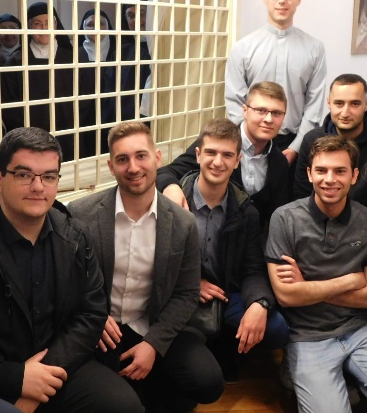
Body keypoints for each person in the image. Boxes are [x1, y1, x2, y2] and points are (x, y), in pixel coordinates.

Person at [0, 127, 143, 413]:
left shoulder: (74, 235)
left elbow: (91, 313)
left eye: (48, 176)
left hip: (58, 363)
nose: (38, 187)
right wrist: (17, 377)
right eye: (24, 175)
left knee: (124, 406)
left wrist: (43, 376)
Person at [69, 121, 224, 412]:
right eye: (122, 159)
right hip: (102, 329)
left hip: (152, 323)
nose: (133, 167)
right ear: (111, 166)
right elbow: (68, 280)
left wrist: (154, 344)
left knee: (208, 381)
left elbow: (187, 293)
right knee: (120, 401)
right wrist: (92, 315)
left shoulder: (182, 222)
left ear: (157, 158)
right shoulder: (81, 215)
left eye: (141, 156)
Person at [265, 135, 367, 412]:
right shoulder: (284, 218)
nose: (330, 179)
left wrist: (308, 286)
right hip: (306, 335)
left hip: (359, 330)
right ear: (309, 174)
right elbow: (287, 296)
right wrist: (350, 280)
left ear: (354, 176)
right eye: (322, 170)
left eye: (340, 171)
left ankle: (350, 387)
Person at [177, 118, 289, 382]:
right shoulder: (174, 203)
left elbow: (253, 268)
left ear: (238, 160)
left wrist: (260, 303)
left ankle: (225, 340)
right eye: (211, 153)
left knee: (276, 329)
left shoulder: (246, 211)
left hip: (227, 292)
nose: (218, 162)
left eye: (227, 155)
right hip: (180, 293)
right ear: (198, 155)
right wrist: (193, 282)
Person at [294, 74, 367, 257]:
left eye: (355, 104)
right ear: (329, 103)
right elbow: (301, 196)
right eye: (339, 103)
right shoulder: (312, 140)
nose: (345, 112)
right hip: (321, 234)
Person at [224, 0, 327, 166]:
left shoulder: (314, 49)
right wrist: (248, 144)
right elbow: (235, 101)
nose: (282, 0)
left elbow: (314, 105)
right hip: (249, 146)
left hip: (294, 143)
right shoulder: (243, 48)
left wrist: (296, 148)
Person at [158, 81, 291, 232]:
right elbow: (165, 172)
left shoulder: (279, 162)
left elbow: (277, 215)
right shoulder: (217, 144)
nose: (269, 119)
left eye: (276, 113)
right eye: (261, 110)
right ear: (245, 111)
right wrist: (171, 187)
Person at [0, 2, 76, 161]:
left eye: (48, 23)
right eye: (37, 24)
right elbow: (9, 105)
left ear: (56, 25)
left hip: (69, 134)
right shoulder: (16, 61)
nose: (44, 28)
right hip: (29, 139)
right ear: (29, 27)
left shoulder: (73, 58)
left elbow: (85, 99)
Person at [77, 8, 118, 156]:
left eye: (101, 23)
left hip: (112, 113)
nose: (96, 28)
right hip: (83, 116)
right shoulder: (75, 54)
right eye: (90, 24)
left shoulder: (118, 52)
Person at [118, 0, 153, 120]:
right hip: (121, 119)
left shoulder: (160, 49)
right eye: (131, 16)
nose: (137, 20)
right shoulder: (120, 51)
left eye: (142, 14)